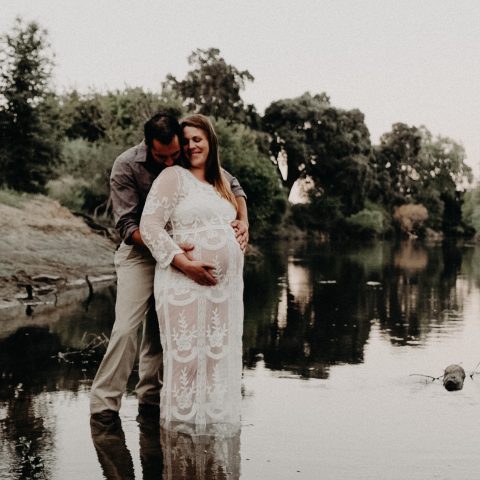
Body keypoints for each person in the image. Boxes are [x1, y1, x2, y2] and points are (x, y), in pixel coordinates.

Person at [90, 113, 248, 424]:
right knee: (126, 328)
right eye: (162, 157)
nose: (170, 162)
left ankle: (150, 400)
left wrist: (244, 220)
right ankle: (103, 406)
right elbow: (127, 226)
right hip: (140, 253)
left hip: (180, 256)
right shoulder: (126, 165)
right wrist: (171, 250)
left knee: (160, 333)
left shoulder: (186, 152)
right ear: (148, 145)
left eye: (175, 154)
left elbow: (233, 185)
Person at [139, 114, 244, 434]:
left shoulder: (221, 182)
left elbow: (235, 213)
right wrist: (184, 264)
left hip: (223, 292)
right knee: (187, 361)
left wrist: (243, 225)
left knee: (216, 361)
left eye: (197, 139)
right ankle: (181, 439)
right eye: (185, 142)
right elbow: (149, 226)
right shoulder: (173, 176)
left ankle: (211, 439)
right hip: (184, 283)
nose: (191, 146)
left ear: (210, 141)